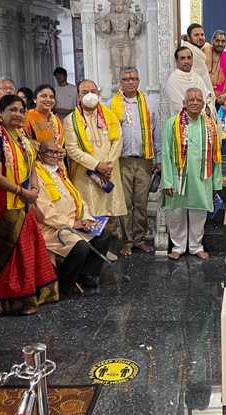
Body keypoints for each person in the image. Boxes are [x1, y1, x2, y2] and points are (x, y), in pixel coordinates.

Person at [0, 95, 60, 314]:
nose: (17, 114)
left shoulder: (21, 136)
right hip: (3, 204)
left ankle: (31, 293)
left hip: (24, 200)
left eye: (21, 111)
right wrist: (22, 192)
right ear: (1, 112)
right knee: (11, 251)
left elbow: (32, 166)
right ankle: (11, 300)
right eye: (12, 110)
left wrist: (33, 190)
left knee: (27, 248)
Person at [34, 139, 112, 294]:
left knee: (104, 234)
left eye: (57, 152)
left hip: (74, 223)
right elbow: (44, 213)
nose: (54, 155)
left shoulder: (58, 172)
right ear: (39, 154)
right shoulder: (37, 175)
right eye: (49, 152)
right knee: (79, 247)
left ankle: (81, 274)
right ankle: (64, 287)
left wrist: (87, 219)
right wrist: (71, 223)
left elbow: (78, 198)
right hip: (52, 229)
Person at [161, 88, 222, 260]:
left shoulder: (211, 126)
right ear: (184, 103)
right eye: (191, 100)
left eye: (198, 100)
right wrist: (167, 181)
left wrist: (216, 183)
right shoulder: (172, 124)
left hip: (202, 178)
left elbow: (216, 157)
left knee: (199, 212)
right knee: (176, 212)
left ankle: (196, 246)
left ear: (203, 104)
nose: (195, 103)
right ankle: (178, 247)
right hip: (176, 177)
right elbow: (166, 153)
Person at [64, 79, 126, 235]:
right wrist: (97, 165)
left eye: (93, 91)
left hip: (109, 171)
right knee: (88, 211)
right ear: (78, 96)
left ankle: (105, 246)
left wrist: (107, 165)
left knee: (109, 209)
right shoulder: (70, 120)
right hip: (85, 175)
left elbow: (118, 141)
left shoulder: (110, 115)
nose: (90, 95)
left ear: (99, 94)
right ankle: (92, 248)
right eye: (85, 92)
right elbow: (72, 149)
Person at [110, 67, 162, 256]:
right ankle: (127, 240)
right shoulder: (110, 104)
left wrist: (158, 159)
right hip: (121, 161)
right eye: (126, 79)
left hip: (144, 160)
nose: (130, 82)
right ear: (120, 82)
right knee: (125, 202)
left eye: (134, 79)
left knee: (141, 201)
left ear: (139, 81)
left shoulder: (149, 103)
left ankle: (139, 239)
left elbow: (156, 132)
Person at [165, 47, 212, 118]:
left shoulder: (197, 77)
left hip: (202, 122)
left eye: (189, 58)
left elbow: (207, 98)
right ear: (176, 61)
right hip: (183, 123)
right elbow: (178, 106)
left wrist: (208, 109)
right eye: (182, 58)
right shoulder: (173, 81)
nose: (187, 61)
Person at [179, 24, 216, 104]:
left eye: (202, 35)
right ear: (188, 37)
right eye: (196, 35)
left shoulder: (197, 51)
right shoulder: (187, 53)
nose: (200, 37)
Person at [24, 84, 65, 150]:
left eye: (51, 97)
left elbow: (61, 144)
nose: (48, 100)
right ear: (34, 99)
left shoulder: (56, 119)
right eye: (44, 96)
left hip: (57, 158)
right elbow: (26, 143)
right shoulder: (27, 117)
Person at [208, 30, 226, 109]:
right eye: (217, 41)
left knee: (213, 120)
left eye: (223, 41)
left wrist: (225, 95)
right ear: (212, 41)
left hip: (217, 98)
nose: (220, 44)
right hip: (204, 94)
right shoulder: (206, 52)